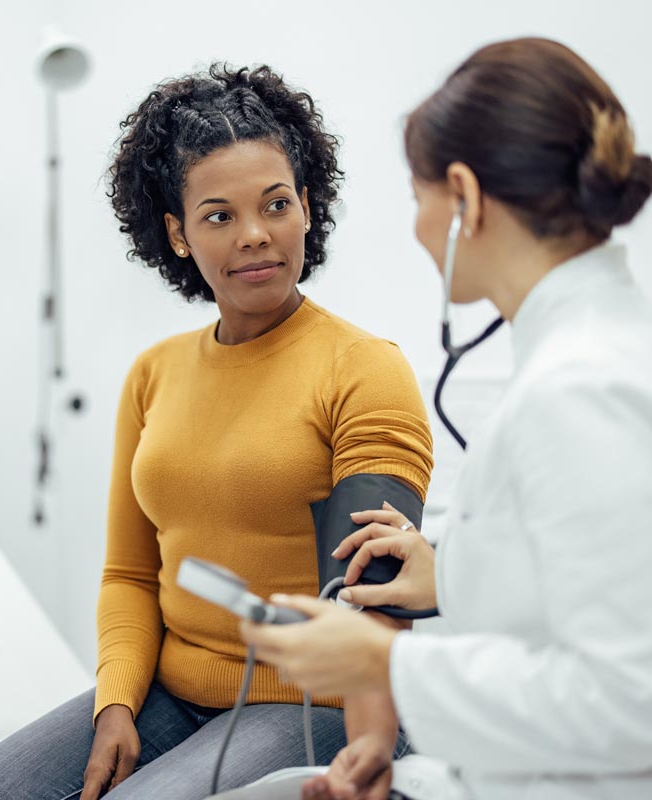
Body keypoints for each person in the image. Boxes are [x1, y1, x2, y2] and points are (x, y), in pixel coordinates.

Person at [0, 65, 433, 800]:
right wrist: (114, 704)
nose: (256, 236)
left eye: (275, 204)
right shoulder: (155, 374)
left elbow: (370, 601)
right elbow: (130, 575)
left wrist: (369, 744)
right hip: (172, 693)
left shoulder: (363, 369)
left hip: (314, 702)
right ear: (176, 233)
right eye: (219, 215)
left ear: (307, 206)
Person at [242, 37, 652, 800]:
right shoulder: (590, 355)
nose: (419, 227)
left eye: (417, 196)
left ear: (462, 197)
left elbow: (633, 697)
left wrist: (381, 665)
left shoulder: (580, 390)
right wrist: (457, 571)